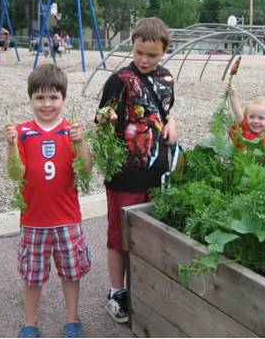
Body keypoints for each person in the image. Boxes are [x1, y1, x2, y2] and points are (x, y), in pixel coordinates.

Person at [95, 17, 178, 324]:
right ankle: (116, 292)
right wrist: (106, 120)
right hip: (125, 175)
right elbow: (102, 120)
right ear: (133, 46)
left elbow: (163, 113)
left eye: (152, 55)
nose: (144, 60)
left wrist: (172, 123)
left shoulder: (167, 78)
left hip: (157, 171)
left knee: (149, 236)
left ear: (165, 51)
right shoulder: (119, 80)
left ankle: (142, 290)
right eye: (139, 52)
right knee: (119, 236)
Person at [3, 64, 93, 338]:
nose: (46, 104)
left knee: (70, 273)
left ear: (63, 99)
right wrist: (9, 145)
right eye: (39, 97)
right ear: (30, 99)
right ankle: (30, 323)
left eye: (53, 97)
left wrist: (82, 142)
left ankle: (72, 319)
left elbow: (86, 170)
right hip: (33, 219)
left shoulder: (71, 131)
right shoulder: (22, 132)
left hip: (67, 218)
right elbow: (15, 174)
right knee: (32, 276)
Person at [225, 83, 265, 147]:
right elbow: (239, 115)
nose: (255, 121)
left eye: (261, 118)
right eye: (251, 117)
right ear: (246, 117)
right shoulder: (245, 132)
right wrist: (233, 95)